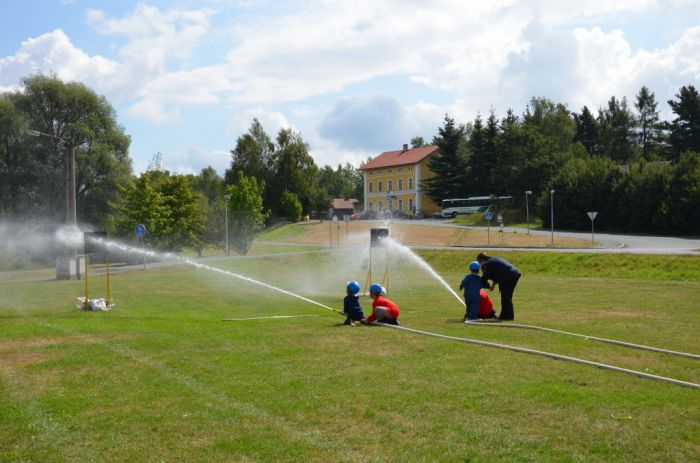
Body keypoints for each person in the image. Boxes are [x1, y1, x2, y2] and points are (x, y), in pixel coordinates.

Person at [477, 252, 521, 321]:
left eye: (479, 262)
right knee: (504, 296)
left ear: (482, 260)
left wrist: (476, 284)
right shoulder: (492, 260)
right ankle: (503, 316)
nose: (480, 265)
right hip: (510, 275)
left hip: (510, 276)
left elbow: (485, 277)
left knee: (506, 297)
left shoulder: (489, 264)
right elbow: (497, 273)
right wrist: (493, 285)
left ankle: (509, 317)